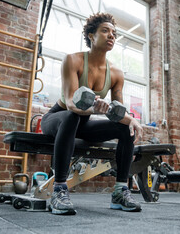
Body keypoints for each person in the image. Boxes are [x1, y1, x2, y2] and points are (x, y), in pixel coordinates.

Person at [41, 13, 143, 215]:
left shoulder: (116, 74)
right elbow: (71, 103)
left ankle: (120, 191)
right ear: (91, 35)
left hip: (83, 124)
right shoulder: (73, 60)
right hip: (58, 118)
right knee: (73, 117)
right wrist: (95, 108)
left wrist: (132, 120)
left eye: (114, 33)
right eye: (105, 31)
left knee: (125, 128)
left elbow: (117, 113)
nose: (111, 35)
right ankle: (59, 190)